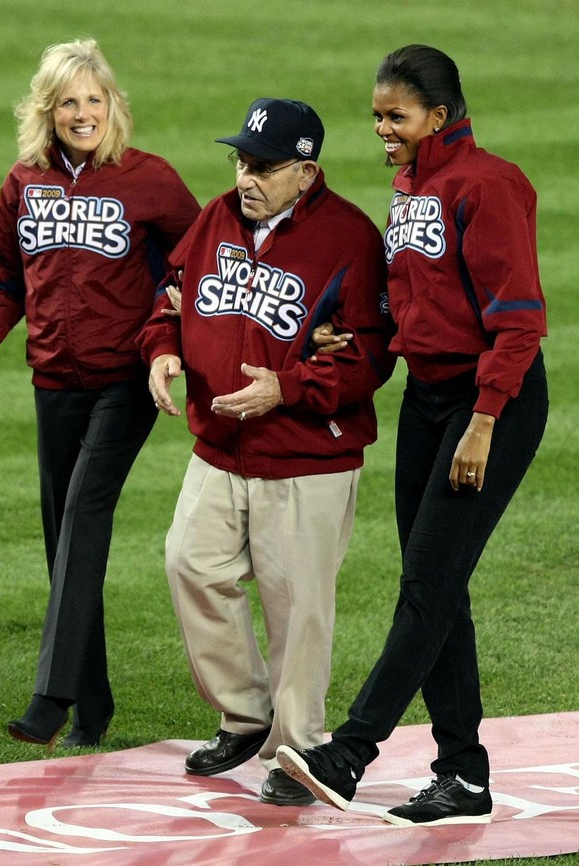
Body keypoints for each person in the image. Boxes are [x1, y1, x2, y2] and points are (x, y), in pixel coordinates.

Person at [276, 44, 548, 824]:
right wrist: (352, 332)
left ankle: (349, 754)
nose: (382, 129)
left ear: (440, 113)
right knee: (438, 587)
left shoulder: (489, 184)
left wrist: (485, 420)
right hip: (429, 401)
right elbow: (417, 297)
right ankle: (462, 777)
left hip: (488, 401)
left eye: (395, 116)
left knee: (427, 585)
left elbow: (518, 318)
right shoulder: (410, 185)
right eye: (376, 117)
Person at [137, 97, 395, 806]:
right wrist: (162, 352)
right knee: (190, 564)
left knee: (297, 609)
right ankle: (246, 714)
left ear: (305, 172)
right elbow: (172, 296)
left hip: (309, 458)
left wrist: (285, 389)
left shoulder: (349, 238)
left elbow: (372, 357)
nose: (245, 178)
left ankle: (298, 751)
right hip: (219, 447)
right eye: (241, 161)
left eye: (263, 167)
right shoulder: (218, 218)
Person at [0, 39, 200, 750]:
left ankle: (51, 697)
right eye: (69, 101)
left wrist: (168, 344)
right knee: (63, 539)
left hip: (125, 379)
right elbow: (3, 279)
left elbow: (197, 261)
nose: (83, 112)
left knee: (85, 516)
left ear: (113, 104)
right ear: (48, 110)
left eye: (94, 99)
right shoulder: (24, 182)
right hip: (53, 380)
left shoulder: (149, 180)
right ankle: (93, 706)